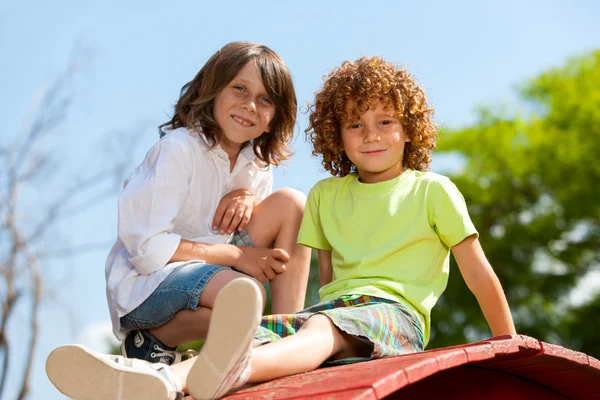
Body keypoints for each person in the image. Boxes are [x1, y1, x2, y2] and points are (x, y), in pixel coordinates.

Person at [46, 56, 516, 400]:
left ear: (409, 128)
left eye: (386, 121)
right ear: (336, 135)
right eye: (355, 124)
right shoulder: (327, 196)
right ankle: (158, 376)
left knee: (312, 333)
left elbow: (476, 271)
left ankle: (174, 377)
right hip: (298, 305)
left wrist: (507, 341)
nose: (371, 134)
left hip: (392, 314)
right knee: (283, 331)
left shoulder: (432, 190)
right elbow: (328, 279)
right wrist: (299, 320)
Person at [104, 41, 311, 366]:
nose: (250, 105)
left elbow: (257, 217)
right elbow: (146, 249)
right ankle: (155, 338)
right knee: (245, 294)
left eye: (265, 99)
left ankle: (284, 341)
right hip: (147, 287)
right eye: (239, 89)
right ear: (212, 91)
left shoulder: (256, 165)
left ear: (273, 119)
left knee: (293, 204)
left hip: (220, 283)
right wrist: (235, 254)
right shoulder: (178, 150)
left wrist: (248, 196)